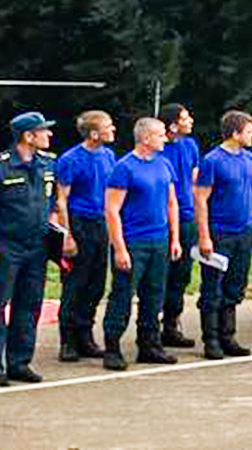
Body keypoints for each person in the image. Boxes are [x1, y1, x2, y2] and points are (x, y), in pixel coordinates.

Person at [0, 110, 58, 386]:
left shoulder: (47, 164)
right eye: (44, 130)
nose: (50, 134)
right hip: (6, 245)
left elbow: (53, 203)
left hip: (37, 245)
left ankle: (20, 362)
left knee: (29, 305)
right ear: (28, 136)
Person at [100, 116, 182, 370]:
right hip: (134, 242)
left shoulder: (164, 164)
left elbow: (171, 203)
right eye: (160, 135)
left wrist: (175, 238)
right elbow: (112, 210)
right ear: (146, 138)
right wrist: (120, 248)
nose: (165, 139)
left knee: (154, 296)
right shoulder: (125, 168)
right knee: (123, 295)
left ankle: (149, 345)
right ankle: (112, 348)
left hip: (159, 241)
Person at [195, 110, 252, 359]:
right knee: (213, 288)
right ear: (235, 134)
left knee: (235, 286)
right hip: (220, 232)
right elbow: (201, 200)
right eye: (249, 130)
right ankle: (211, 339)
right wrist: (204, 236)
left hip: (243, 232)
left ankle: (228, 336)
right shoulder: (212, 161)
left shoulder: (251, 160)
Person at [54, 109, 116, 362]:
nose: (113, 129)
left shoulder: (109, 156)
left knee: (96, 284)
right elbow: (62, 199)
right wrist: (67, 235)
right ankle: (67, 340)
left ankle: (85, 335)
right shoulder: (71, 159)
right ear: (93, 133)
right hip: (79, 223)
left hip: (101, 224)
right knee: (75, 284)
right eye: (108, 126)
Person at [155, 103, 201, 349]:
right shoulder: (158, 151)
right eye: (185, 117)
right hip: (161, 221)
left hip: (187, 219)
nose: (191, 120)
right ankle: (152, 327)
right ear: (172, 125)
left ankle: (172, 325)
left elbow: (194, 180)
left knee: (181, 275)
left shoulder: (190, 145)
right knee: (158, 276)